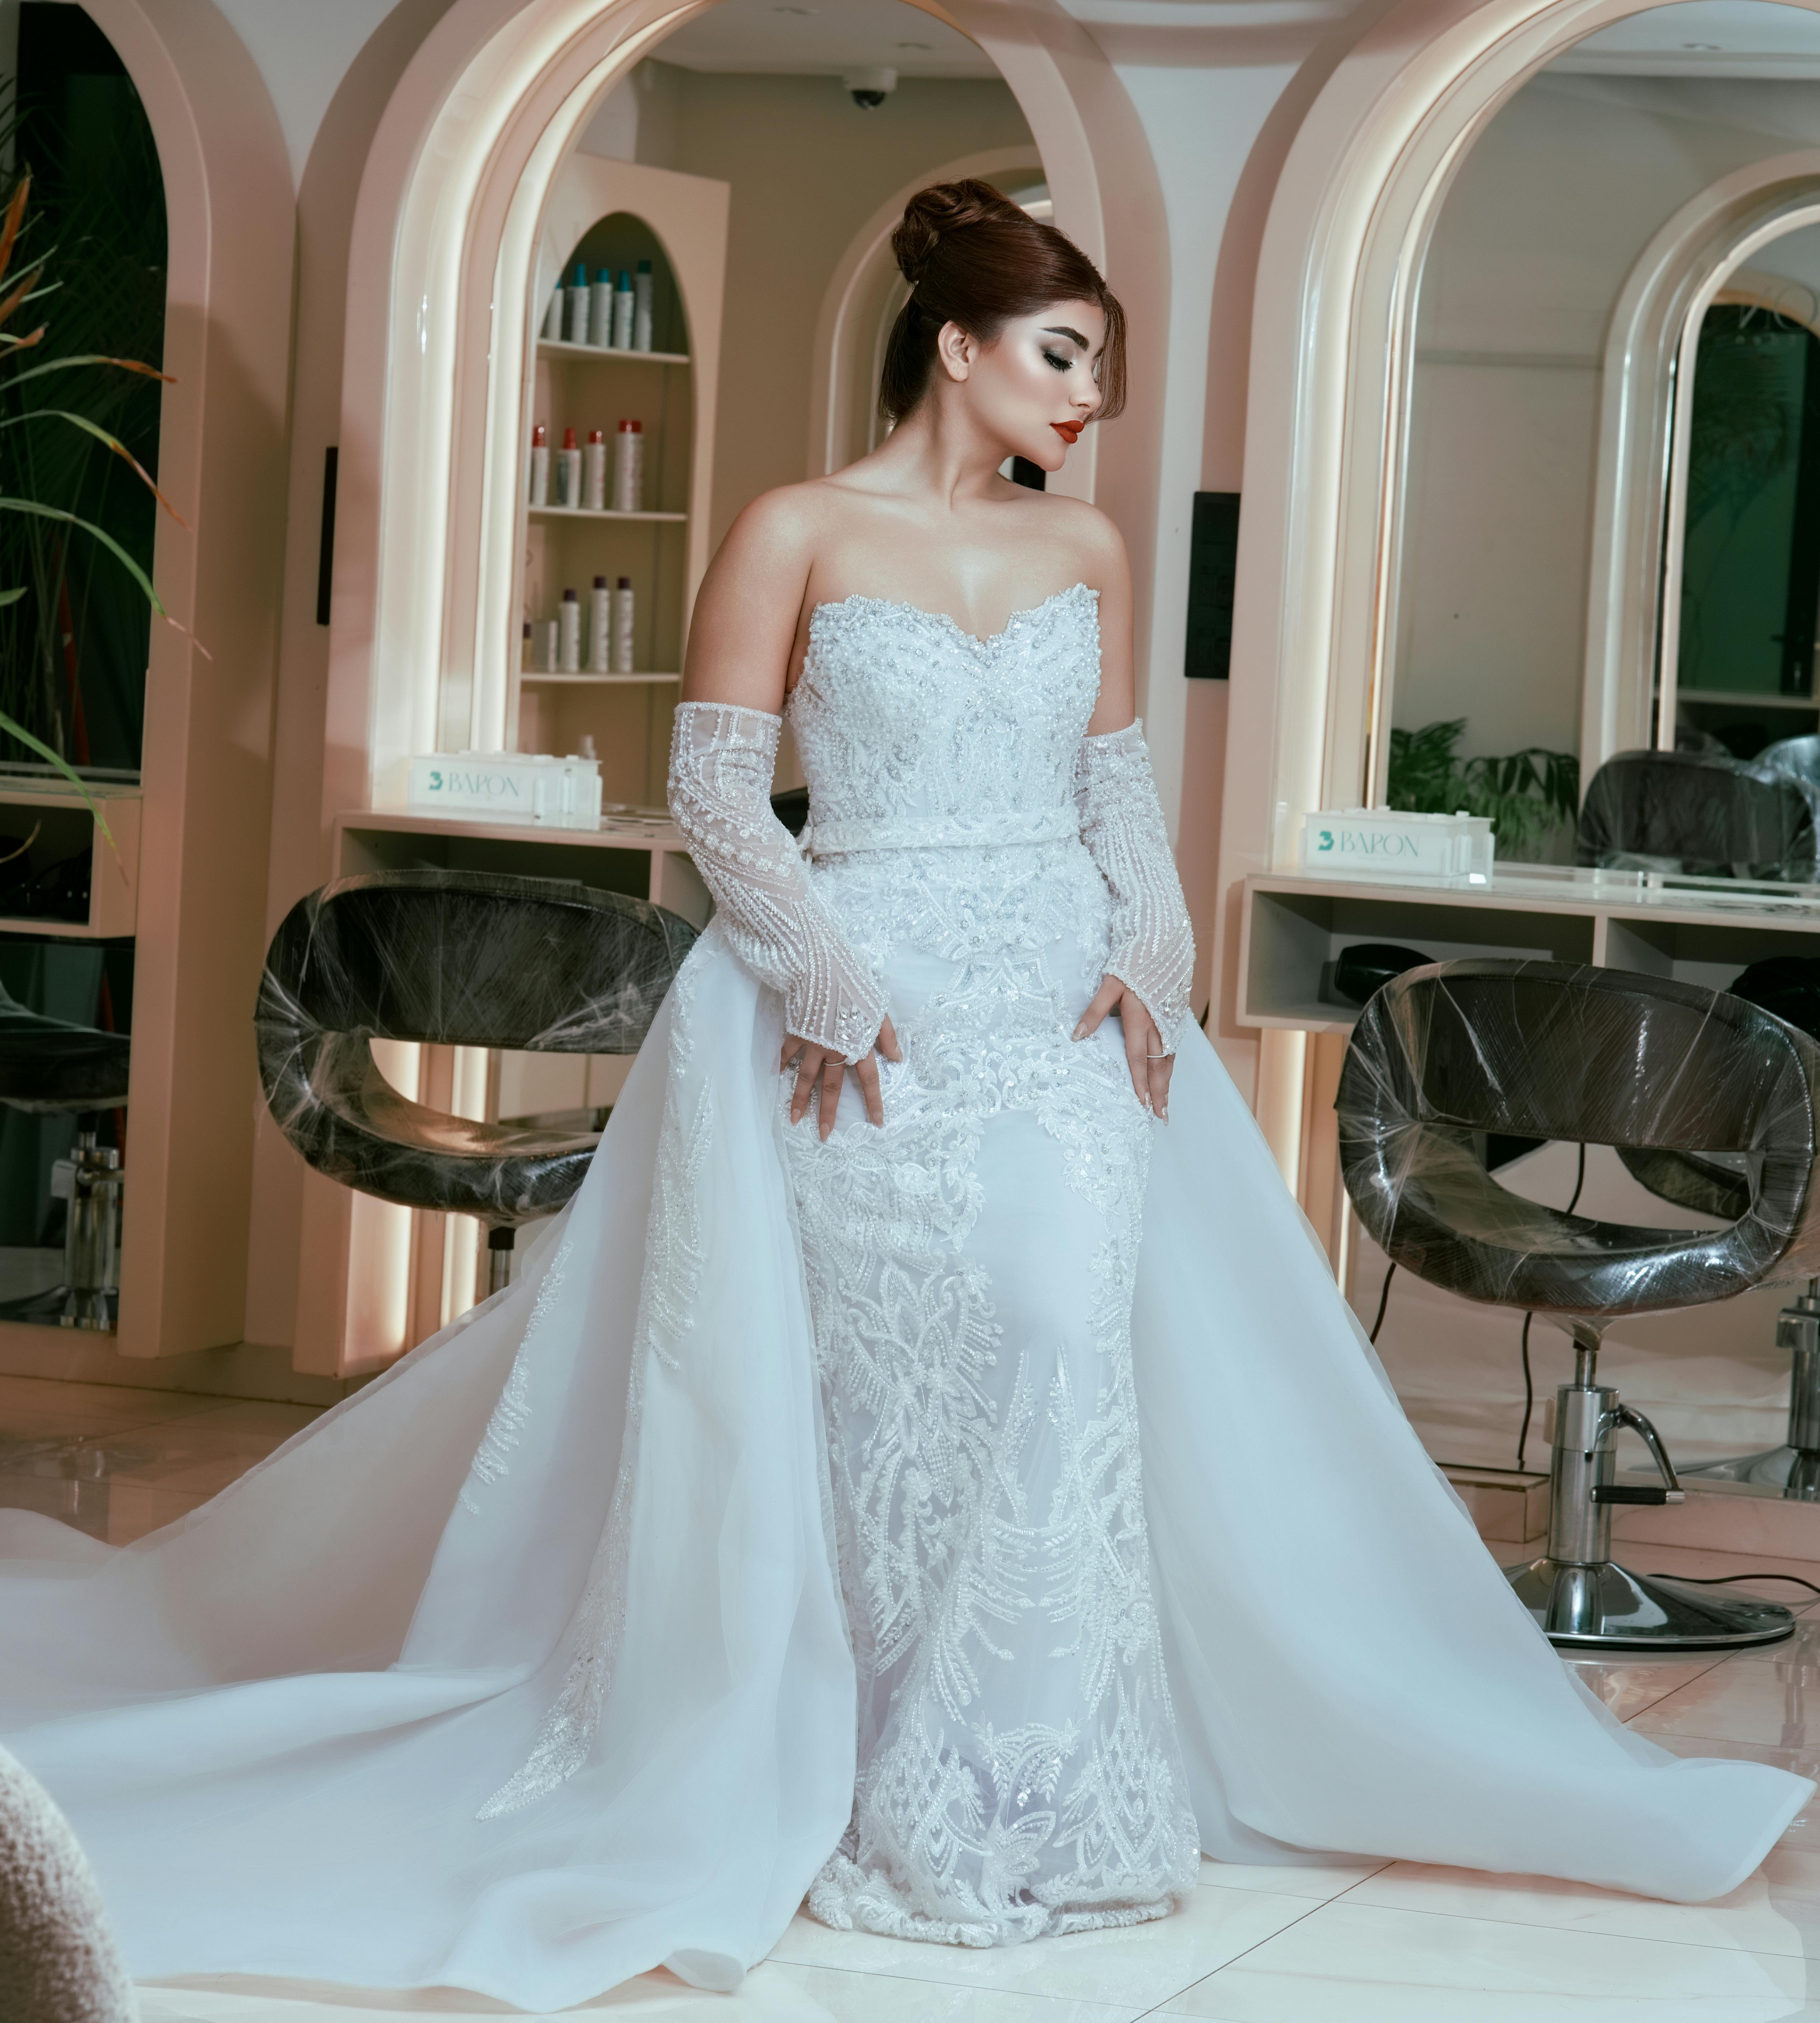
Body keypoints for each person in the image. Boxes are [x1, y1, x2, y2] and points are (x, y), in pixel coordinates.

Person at [0, 183, 1802, 2011]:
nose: (1088, 395)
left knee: (1050, 1343)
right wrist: (828, 974)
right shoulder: (794, 527)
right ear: (957, 342)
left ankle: (1029, 1791)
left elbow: (1115, 798)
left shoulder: (1087, 550)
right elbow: (713, 792)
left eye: (1096, 363)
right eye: (1061, 354)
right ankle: (845, 1755)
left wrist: (1153, 957)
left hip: (1055, 1013)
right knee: (861, 1399)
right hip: (844, 1016)